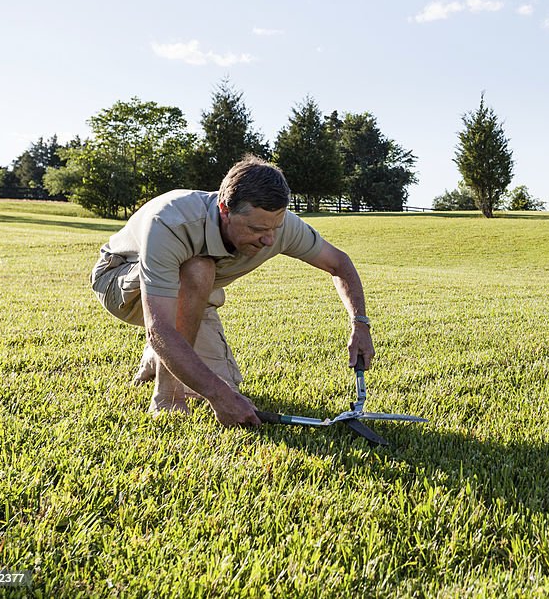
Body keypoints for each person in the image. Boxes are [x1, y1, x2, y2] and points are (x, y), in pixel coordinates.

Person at [90, 155, 374, 427]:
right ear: (225, 210)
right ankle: (167, 396)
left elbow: (339, 263)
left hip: (188, 294)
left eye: (276, 227)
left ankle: (157, 358)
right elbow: (160, 328)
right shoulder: (172, 222)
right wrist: (215, 396)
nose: (269, 239)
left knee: (227, 387)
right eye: (257, 229)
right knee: (199, 269)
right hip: (120, 283)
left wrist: (360, 323)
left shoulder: (276, 225)